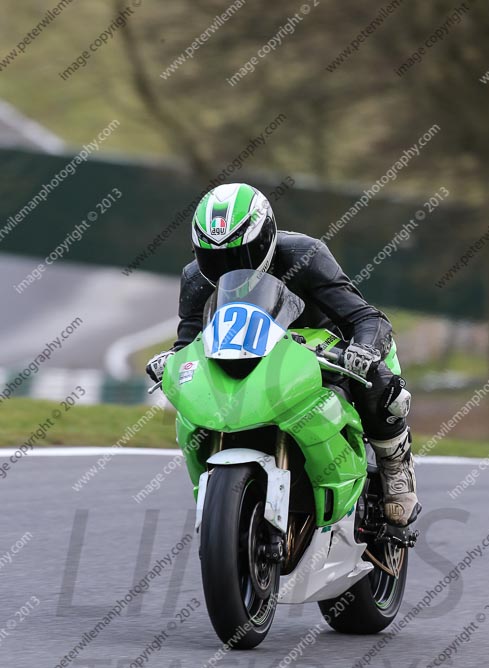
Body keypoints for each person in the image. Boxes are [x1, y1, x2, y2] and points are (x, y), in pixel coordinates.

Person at [147, 183, 420, 527]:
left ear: (267, 239)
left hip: (324, 349)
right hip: (249, 355)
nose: (228, 267)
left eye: (240, 255)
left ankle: (395, 464)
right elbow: (188, 341)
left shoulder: (306, 255)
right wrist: (171, 361)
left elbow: (365, 317)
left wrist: (363, 349)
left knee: (379, 382)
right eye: (214, 258)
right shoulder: (196, 278)